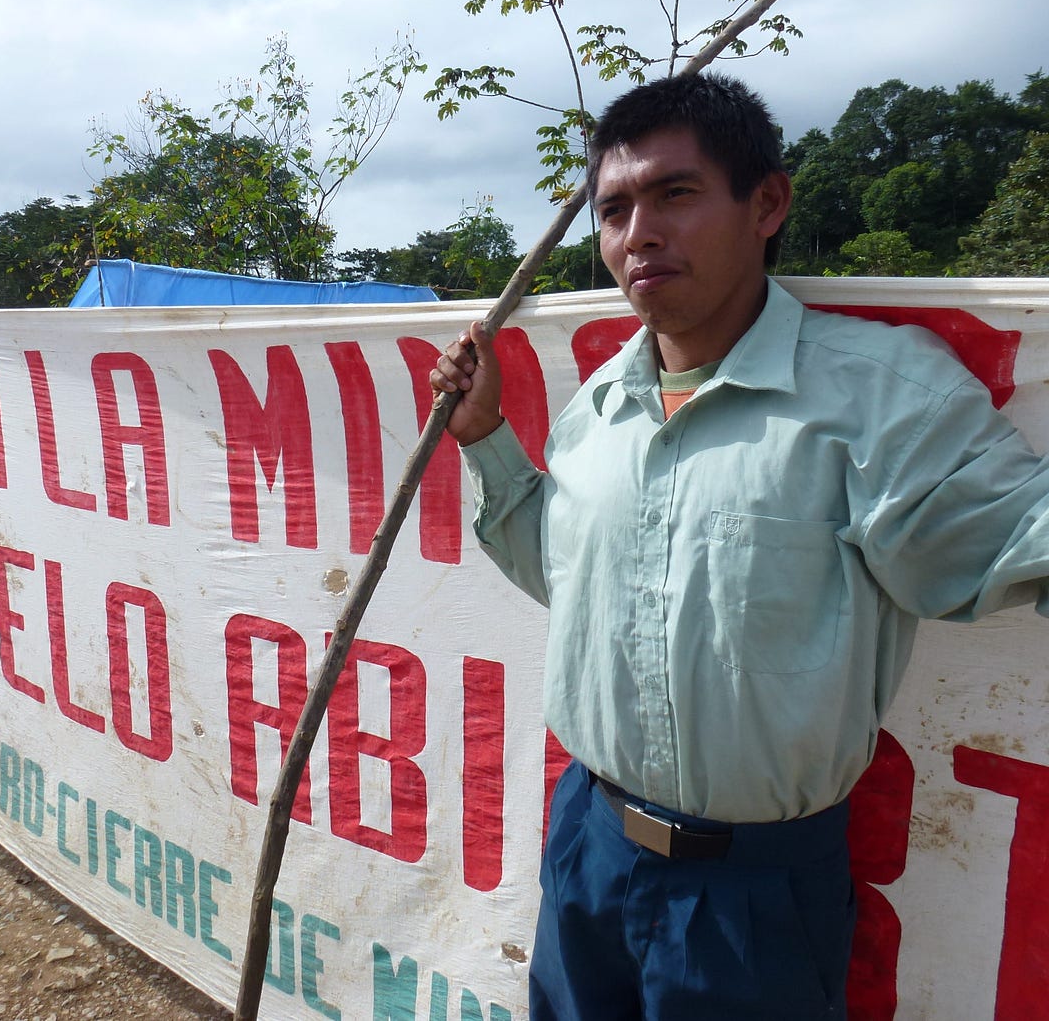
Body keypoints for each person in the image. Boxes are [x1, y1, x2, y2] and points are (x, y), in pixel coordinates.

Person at [429, 71, 1049, 1020]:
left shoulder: (876, 398)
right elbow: (569, 578)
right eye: (614, 208)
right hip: (588, 845)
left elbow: (1013, 537)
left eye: (676, 193)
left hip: (753, 890)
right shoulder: (597, 411)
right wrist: (486, 440)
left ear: (767, 202)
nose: (639, 233)